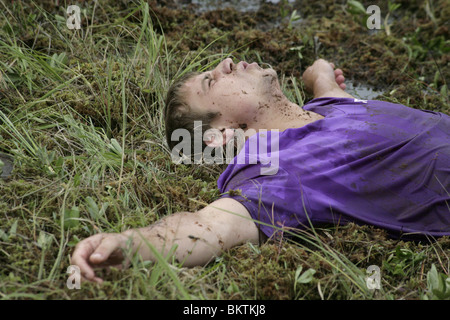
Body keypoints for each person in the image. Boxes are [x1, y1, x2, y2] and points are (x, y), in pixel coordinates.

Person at [71, 58, 450, 283]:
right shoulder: (273, 172)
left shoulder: (331, 107)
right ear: (221, 135)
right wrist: (129, 244)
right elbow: (206, 229)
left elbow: (329, 91)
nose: (226, 64)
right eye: (211, 80)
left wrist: (317, 74)